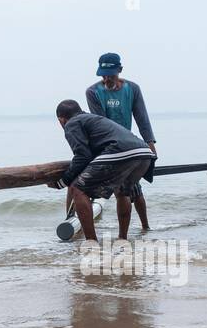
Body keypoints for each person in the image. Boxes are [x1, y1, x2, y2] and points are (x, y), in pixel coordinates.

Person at [48, 100, 156, 242]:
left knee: (77, 189)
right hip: (143, 153)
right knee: (122, 191)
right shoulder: (92, 118)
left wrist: (62, 182)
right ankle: (122, 239)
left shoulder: (72, 123)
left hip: (121, 151)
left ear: (61, 119)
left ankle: (91, 242)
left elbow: (82, 156)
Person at [86, 54, 155, 230]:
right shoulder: (93, 92)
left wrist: (150, 145)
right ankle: (137, 231)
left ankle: (145, 227)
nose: (107, 79)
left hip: (130, 144)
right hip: (107, 145)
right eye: (104, 75)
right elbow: (100, 123)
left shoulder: (132, 89)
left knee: (131, 186)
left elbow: (142, 118)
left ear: (120, 70)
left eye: (111, 75)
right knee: (124, 188)